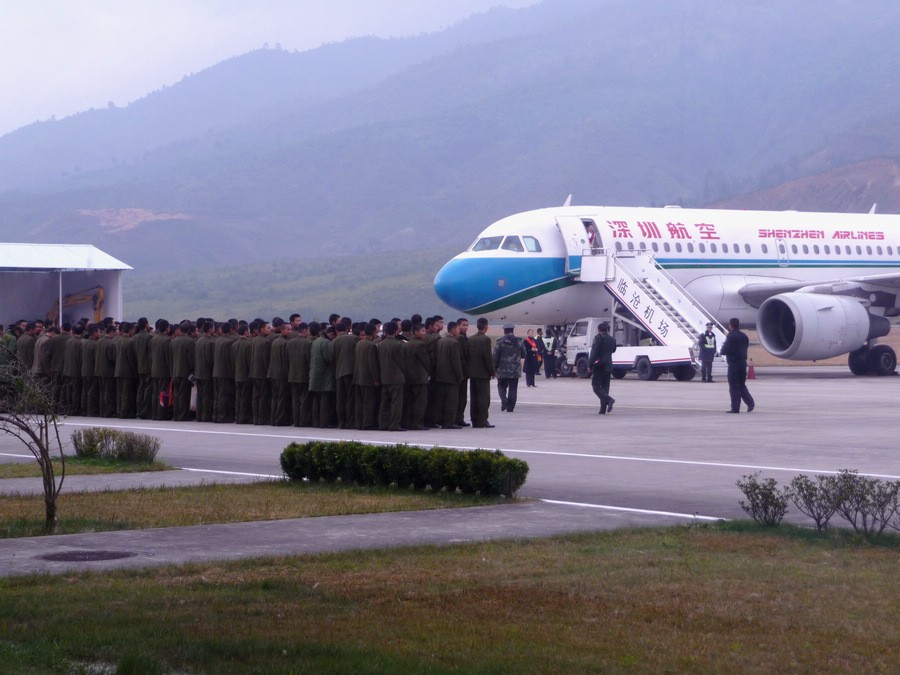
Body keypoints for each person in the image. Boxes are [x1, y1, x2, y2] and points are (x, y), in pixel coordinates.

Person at [720, 317, 755, 413]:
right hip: (742, 364)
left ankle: (735, 408)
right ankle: (750, 402)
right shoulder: (744, 336)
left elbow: (724, 350)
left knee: (734, 387)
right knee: (741, 385)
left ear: (730, 326)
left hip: (733, 364)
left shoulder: (730, 336)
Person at [467, 317, 495, 428]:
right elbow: (487, 357)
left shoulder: (471, 339)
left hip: (472, 373)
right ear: (486, 327)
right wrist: (492, 371)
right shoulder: (486, 339)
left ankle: (474, 419)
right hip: (483, 374)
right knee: (484, 398)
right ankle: (483, 420)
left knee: (474, 398)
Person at [493, 324, 525, 412]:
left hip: (502, 370)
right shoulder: (519, 342)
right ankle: (510, 408)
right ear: (512, 330)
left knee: (501, 386)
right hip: (515, 370)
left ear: (504, 331)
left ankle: (504, 399)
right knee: (513, 388)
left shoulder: (499, 342)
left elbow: (495, 357)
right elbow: (524, 354)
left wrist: (494, 368)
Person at [589, 321, 617, 414]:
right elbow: (613, 350)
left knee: (596, 386)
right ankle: (602, 409)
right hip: (608, 365)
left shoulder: (598, 338)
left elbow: (594, 352)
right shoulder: (613, 339)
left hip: (599, 365)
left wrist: (590, 364)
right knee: (605, 387)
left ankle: (609, 400)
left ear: (599, 330)